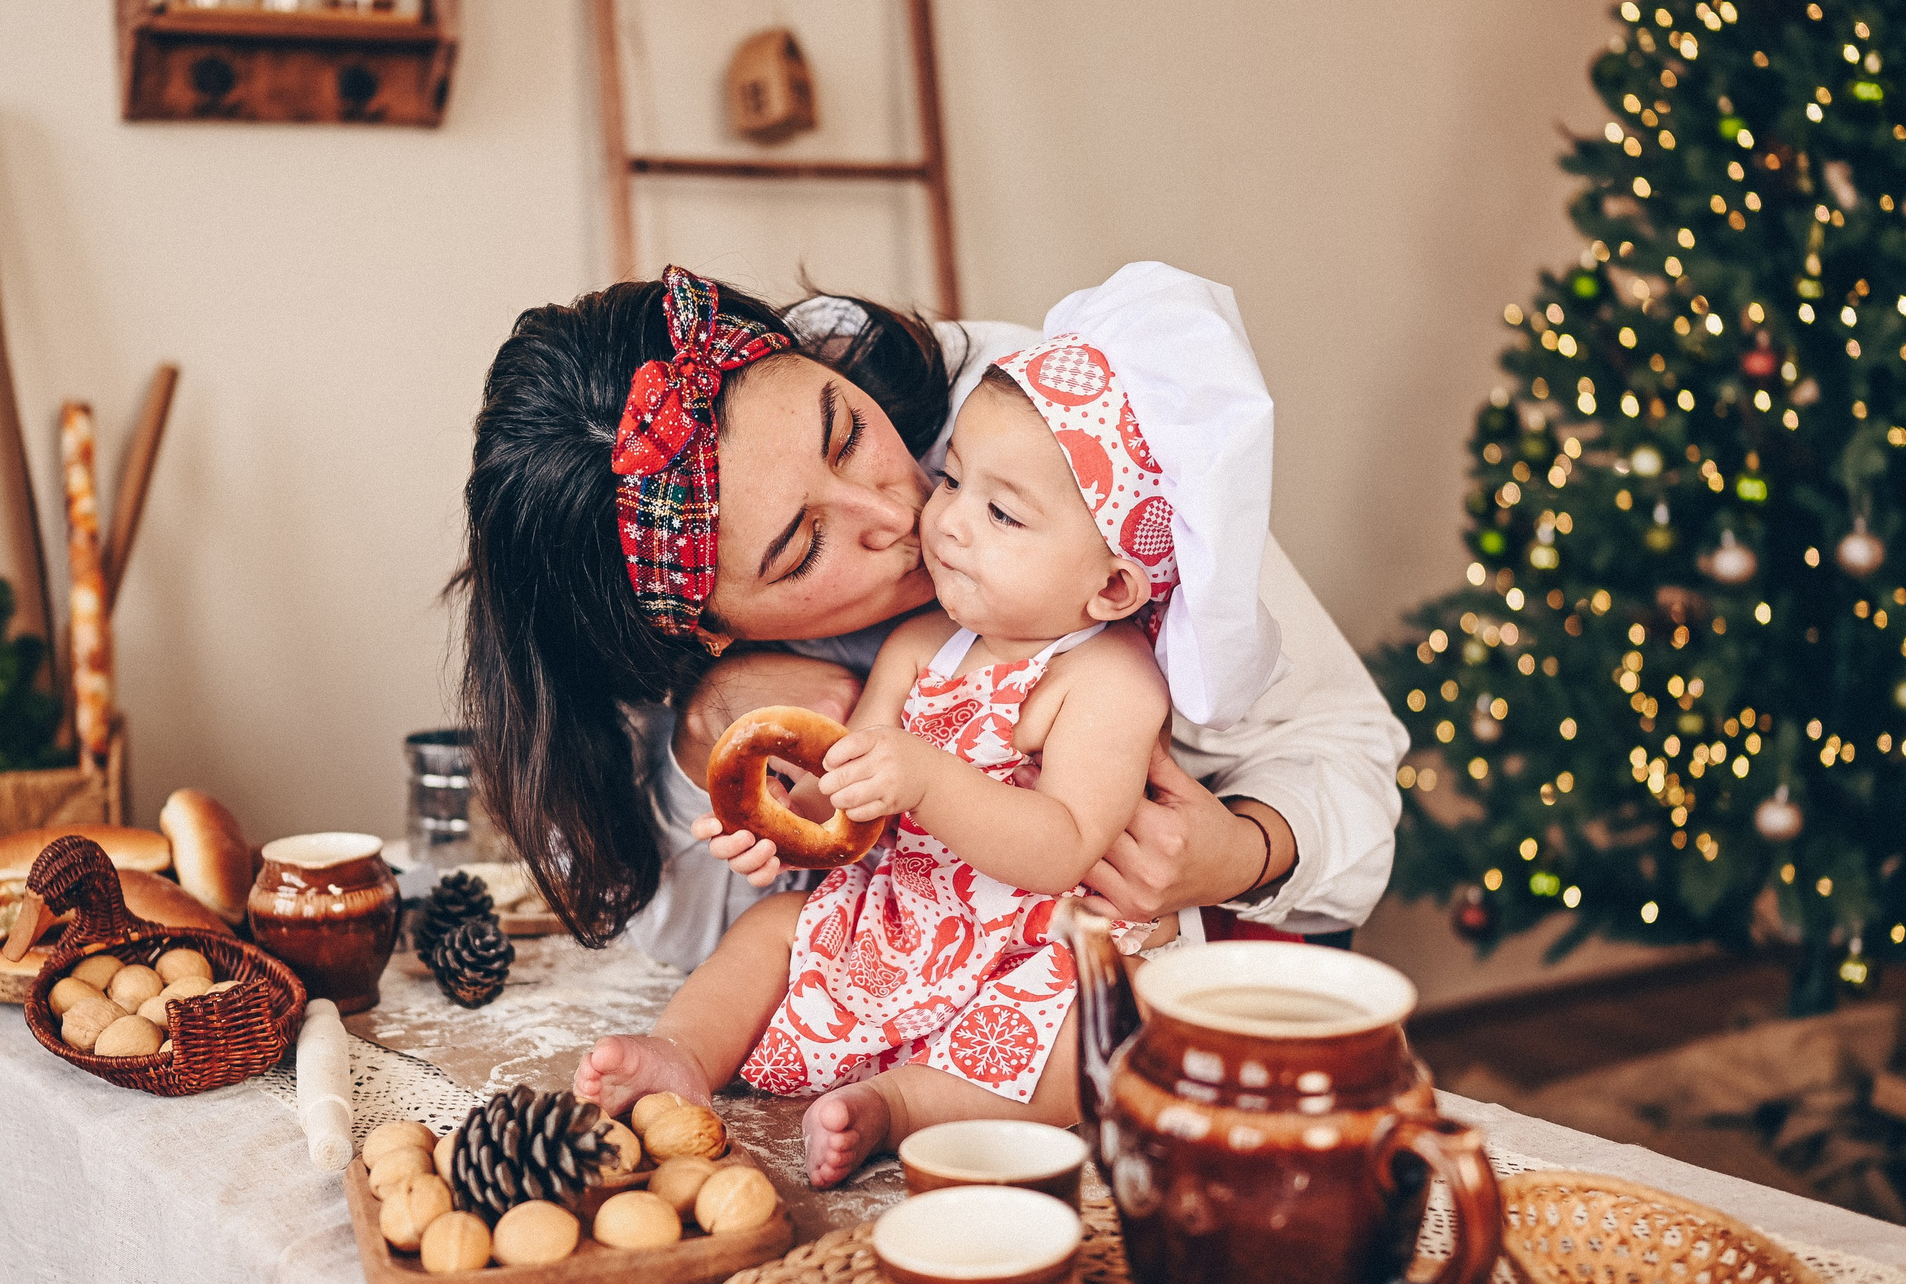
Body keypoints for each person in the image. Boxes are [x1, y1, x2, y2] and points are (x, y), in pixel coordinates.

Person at [458, 262, 1406, 978]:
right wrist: (702, 736)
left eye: (847, 431)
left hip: (1207, 983)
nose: (903, 515)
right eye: (801, 551)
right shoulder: (662, 648)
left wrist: (1242, 849)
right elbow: (671, 937)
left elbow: (1350, 749)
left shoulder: (1048, 426)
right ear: (701, 627)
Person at [575, 272, 1272, 1181]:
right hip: (901, 912)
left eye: (1002, 512)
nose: (934, 520)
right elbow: (847, 793)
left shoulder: (1108, 678)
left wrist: (928, 779)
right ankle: (683, 1051)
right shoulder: (922, 641)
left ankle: (903, 1103)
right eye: (952, 479)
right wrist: (788, 819)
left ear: (1111, 585)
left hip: (1034, 936)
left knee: (1099, 1023)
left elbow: (1064, 843)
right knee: (776, 926)